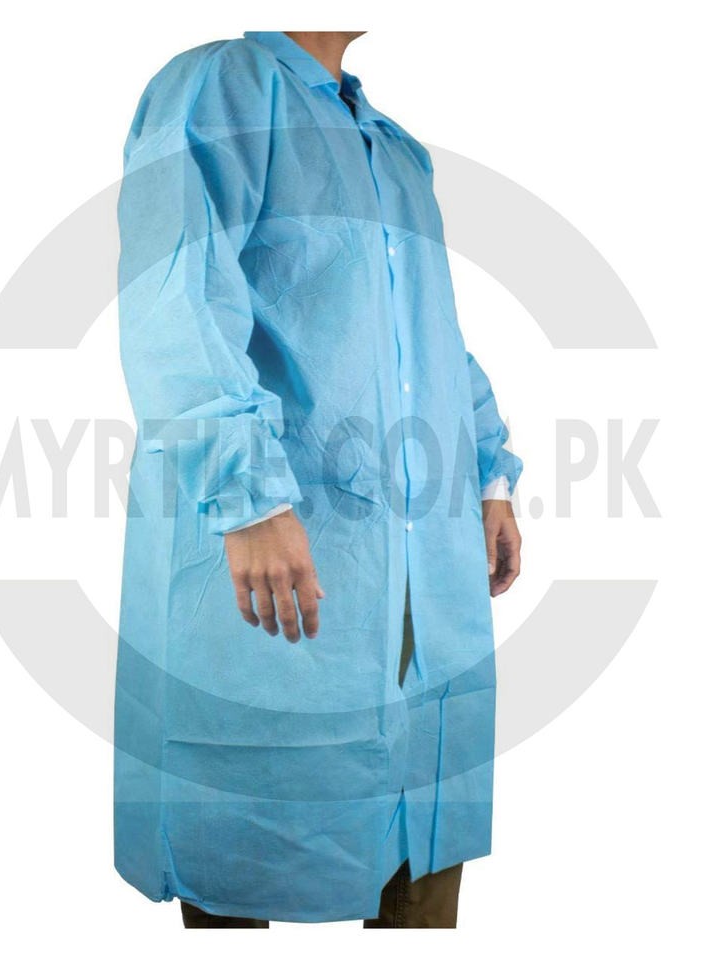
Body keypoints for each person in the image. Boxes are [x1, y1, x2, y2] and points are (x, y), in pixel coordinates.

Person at [114, 30, 524, 928]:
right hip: (281, 540)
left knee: (420, 849)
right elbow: (174, 295)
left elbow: (430, 336)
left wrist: (486, 474)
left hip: (421, 566)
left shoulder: (397, 152)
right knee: (247, 823)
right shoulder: (223, 88)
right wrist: (249, 497)